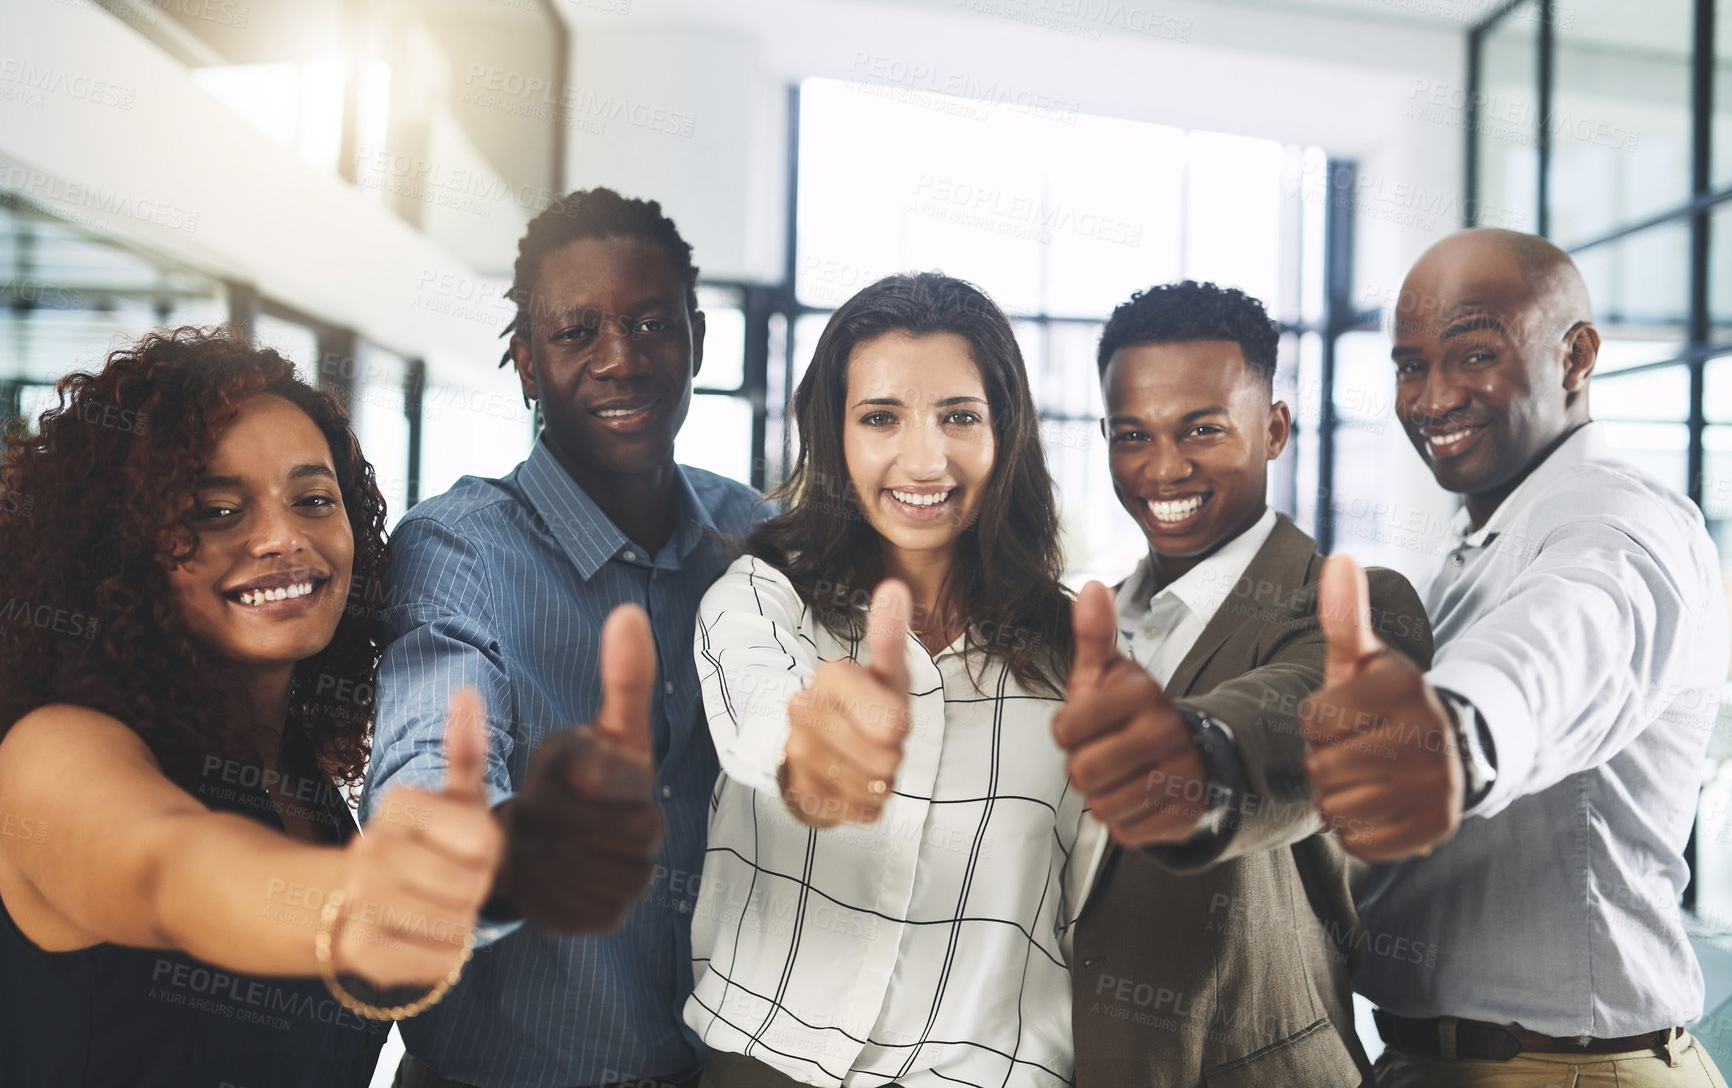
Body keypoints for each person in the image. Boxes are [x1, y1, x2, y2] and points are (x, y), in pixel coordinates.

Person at [0, 329, 503, 1087]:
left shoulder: (301, 778)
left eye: (312, 500)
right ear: (120, 545)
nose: (283, 538)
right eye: (216, 510)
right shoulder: (52, 753)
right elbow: (172, 874)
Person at [1299, 228, 1732, 1086]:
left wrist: (1451, 736)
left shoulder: (1616, 522)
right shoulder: (1467, 554)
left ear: (1577, 358)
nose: (1432, 397)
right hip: (1443, 1059)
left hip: (1563, 1071)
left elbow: (1563, 645)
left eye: (1473, 354)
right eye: (1409, 365)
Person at [365, 187, 770, 1088]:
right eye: (576, 330)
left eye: (652, 324)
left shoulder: (755, 538)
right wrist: (492, 850)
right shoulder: (459, 550)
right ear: (525, 364)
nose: (621, 359)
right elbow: (428, 755)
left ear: (697, 340)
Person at [687, 273, 1082, 1087]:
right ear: (833, 436)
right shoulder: (763, 596)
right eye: (880, 418)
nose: (924, 459)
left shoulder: (1073, 653)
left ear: (1006, 432)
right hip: (764, 1066)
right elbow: (759, 719)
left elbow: (1098, 909)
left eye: (959, 417)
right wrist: (816, 745)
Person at [1052, 281, 1433, 1087]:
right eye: (1132, 435)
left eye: (1202, 430)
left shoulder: (1357, 611)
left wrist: (1198, 760)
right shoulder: (1084, 630)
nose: (1163, 468)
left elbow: (1299, 724)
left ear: (1275, 429)